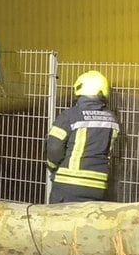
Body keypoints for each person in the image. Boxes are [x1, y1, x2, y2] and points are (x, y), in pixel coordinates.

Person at [45, 70, 120, 203]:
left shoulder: (69, 116)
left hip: (68, 185)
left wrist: (53, 166)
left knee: (59, 221)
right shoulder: (112, 119)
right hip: (98, 186)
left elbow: (54, 149)